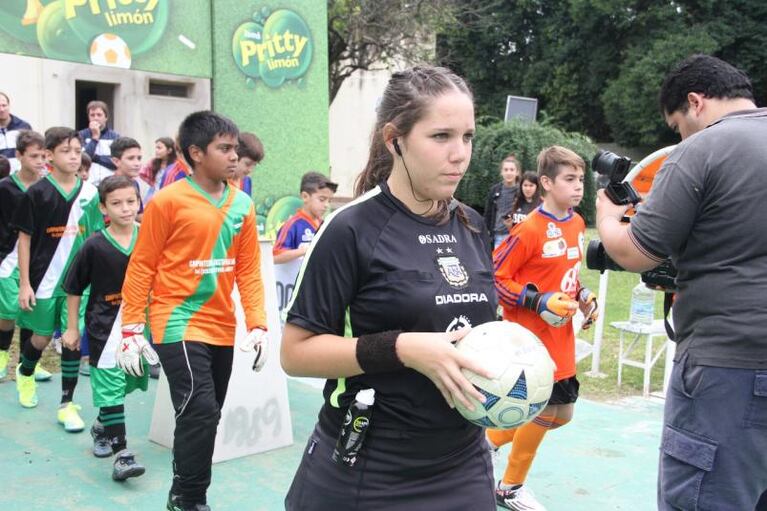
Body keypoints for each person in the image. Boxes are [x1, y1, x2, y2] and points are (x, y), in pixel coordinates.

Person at [282, 65, 498, 511]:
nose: (460, 154)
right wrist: (401, 348)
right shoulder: (350, 229)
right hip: (370, 467)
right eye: (441, 136)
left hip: (464, 461)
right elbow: (295, 353)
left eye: (468, 137)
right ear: (394, 139)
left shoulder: (472, 224)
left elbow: (476, 327)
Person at [595, 54, 767, 510]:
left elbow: (635, 250)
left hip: (726, 366)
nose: (681, 137)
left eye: (677, 126)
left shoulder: (705, 148)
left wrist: (607, 217)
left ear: (695, 102)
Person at [119, 111, 268, 511]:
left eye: (236, 148)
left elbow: (249, 268)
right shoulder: (167, 202)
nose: (234, 156)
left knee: (208, 414)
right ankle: (189, 499)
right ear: (196, 153)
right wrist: (131, 328)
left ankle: (183, 494)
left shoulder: (243, 205)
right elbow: (142, 266)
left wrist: (258, 323)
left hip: (222, 324)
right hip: (175, 319)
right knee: (200, 408)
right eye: (225, 148)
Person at [491, 146, 598, 511]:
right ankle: (510, 487)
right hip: (531, 342)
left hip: (562, 337)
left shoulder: (579, 223)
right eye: (570, 180)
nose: (579, 187)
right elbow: (496, 277)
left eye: (581, 179)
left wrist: (583, 295)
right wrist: (538, 301)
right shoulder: (529, 229)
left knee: (561, 416)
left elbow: (568, 277)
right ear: (547, 183)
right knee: (542, 413)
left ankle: (485, 440)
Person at [12, 127, 104, 431]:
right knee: (38, 339)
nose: (74, 156)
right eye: (66, 151)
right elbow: (24, 239)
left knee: (72, 339)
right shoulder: (36, 193)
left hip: (77, 286)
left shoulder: (90, 193)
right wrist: (25, 283)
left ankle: (66, 404)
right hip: (43, 281)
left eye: (78, 151)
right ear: (49, 155)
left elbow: (93, 238)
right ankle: (25, 373)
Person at [62, 175, 148, 481]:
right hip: (104, 328)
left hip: (139, 328)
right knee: (111, 387)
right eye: (116, 203)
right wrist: (72, 328)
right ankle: (123, 454)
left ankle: (101, 426)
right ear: (103, 208)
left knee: (126, 386)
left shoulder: (149, 237)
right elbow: (73, 288)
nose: (125, 208)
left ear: (139, 202)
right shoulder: (94, 245)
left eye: (131, 201)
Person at [0, 130, 52, 382]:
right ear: (19, 156)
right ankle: (1, 355)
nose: (40, 161)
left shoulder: (48, 187)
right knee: (8, 312)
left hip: (38, 260)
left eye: (44, 156)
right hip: (8, 259)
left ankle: (26, 363)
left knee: (32, 310)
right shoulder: (5, 187)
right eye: (34, 156)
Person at [272, 171, 337, 264]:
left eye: (329, 201)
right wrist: (306, 250)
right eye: (322, 199)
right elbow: (275, 256)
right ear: (305, 196)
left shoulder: (325, 225)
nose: (326, 205)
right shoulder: (292, 225)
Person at [78, 100, 120, 185]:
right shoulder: (81, 135)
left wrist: (96, 158)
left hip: (110, 183)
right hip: (88, 183)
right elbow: (83, 160)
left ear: (106, 117)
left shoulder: (115, 137)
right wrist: (95, 138)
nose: (96, 118)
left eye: (99, 115)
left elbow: (117, 163)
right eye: (92, 115)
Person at [484, 154, 521, 248]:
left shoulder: (521, 191)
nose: (509, 173)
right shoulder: (495, 190)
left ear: (517, 172)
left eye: (512, 170)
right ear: (501, 172)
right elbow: (488, 214)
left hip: (517, 235)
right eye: (506, 170)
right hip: (498, 235)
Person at [109, 137, 145, 220]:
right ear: (116, 161)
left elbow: (139, 214)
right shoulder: (108, 187)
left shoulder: (134, 183)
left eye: (139, 158)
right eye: (131, 158)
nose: (137, 163)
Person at [0, 92, 33, 174]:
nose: (1, 109)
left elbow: (32, 151)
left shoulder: (23, 127)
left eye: (4, 105)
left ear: (9, 106)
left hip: (20, 177)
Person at [139, 136, 178, 202]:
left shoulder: (176, 165)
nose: (156, 150)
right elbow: (142, 173)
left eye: (159, 148)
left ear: (169, 150)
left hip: (169, 195)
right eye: (156, 148)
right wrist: (152, 183)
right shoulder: (153, 162)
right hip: (154, 193)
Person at [230, 132, 264, 196]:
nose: (250, 170)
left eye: (254, 165)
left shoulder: (247, 182)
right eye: (248, 164)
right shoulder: (220, 184)